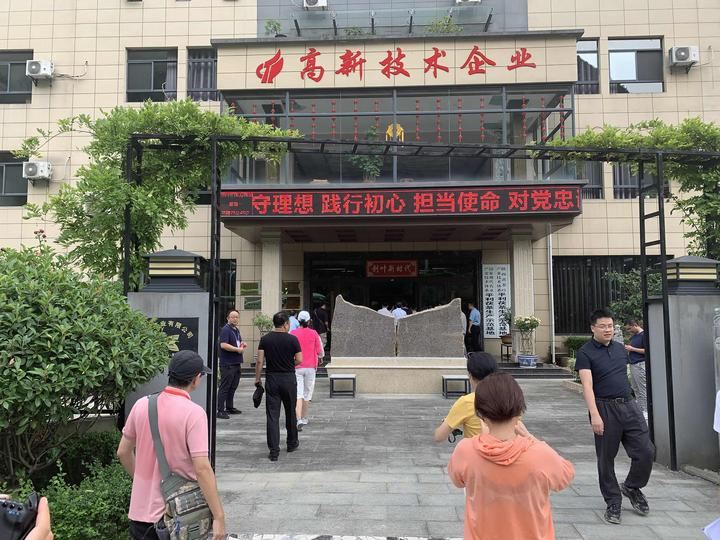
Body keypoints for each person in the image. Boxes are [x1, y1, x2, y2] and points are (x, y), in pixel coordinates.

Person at [447, 373, 575, 540]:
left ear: (480, 414)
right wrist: (530, 437)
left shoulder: (465, 451)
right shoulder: (541, 454)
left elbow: (458, 481)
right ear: (520, 412)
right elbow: (566, 475)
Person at [117, 350, 226, 540]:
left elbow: (123, 452)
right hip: (177, 517)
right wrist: (219, 516)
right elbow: (202, 468)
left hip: (140, 516)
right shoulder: (194, 413)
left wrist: (144, 482)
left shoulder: (142, 405)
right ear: (196, 379)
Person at [576, 308, 655, 525]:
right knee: (606, 458)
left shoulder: (621, 349)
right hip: (604, 408)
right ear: (593, 328)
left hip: (629, 405)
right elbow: (587, 386)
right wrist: (595, 415)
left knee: (646, 450)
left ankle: (631, 486)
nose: (607, 330)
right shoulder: (585, 353)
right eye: (603, 326)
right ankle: (613, 501)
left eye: (610, 326)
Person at [255, 311, 302, 461]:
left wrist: (257, 379)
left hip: (272, 379)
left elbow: (260, 361)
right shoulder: (292, 339)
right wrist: (288, 364)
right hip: (288, 379)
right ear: (286, 324)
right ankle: (292, 443)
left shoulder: (265, 339)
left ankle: (274, 450)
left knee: (272, 415)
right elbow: (299, 359)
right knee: (291, 412)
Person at [433, 352, 497, 442]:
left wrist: (448, 421)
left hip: (477, 450)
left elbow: (438, 437)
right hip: (507, 450)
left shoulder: (466, 402)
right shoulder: (508, 398)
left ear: (470, 375)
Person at [290, 310, 324, 429]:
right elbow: (320, 351)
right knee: (307, 393)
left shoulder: (293, 333)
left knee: (298, 393)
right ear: (309, 321)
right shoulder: (314, 333)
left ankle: (298, 418)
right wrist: (320, 357)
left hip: (296, 366)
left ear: (298, 320)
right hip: (310, 367)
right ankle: (304, 418)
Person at [217, 310, 247, 419]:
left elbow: (237, 342)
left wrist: (242, 344)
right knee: (225, 387)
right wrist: (237, 350)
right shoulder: (225, 330)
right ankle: (220, 410)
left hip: (236, 362)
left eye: (237, 317)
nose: (235, 319)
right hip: (228, 364)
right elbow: (223, 345)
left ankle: (229, 407)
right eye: (232, 317)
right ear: (228, 318)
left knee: (233, 386)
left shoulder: (236, 330)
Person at [624, 320, 647, 416]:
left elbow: (647, 350)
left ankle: (646, 410)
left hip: (640, 364)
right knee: (635, 388)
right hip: (633, 364)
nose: (629, 331)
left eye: (629, 328)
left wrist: (632, 349)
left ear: (635, 325)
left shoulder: (644, 335)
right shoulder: (635, 336)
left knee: (642, 388)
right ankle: (641, 409)